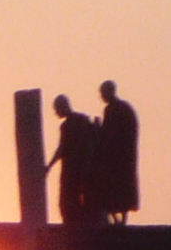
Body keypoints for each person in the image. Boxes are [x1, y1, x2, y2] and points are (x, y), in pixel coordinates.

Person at [49, 93, 101, 227]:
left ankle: (73, 226)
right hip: (85, 168)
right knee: (78, 199)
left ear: (62, 107)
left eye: (56, 109)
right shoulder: (82, 120)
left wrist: (49, 166)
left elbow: (62, 148)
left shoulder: (68, 125)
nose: (56, 113)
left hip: (73, 169)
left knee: (68, 200)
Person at [95, 81, 140, 219]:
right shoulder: (126, 108)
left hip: (115, 157)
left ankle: (117, 217)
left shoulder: (113, 109)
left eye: (103, 93)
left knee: (112, 186)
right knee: (124, 185)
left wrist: (97, 129)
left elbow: (108, 133)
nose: (101, 96)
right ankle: (121, 217)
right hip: (126, 156)